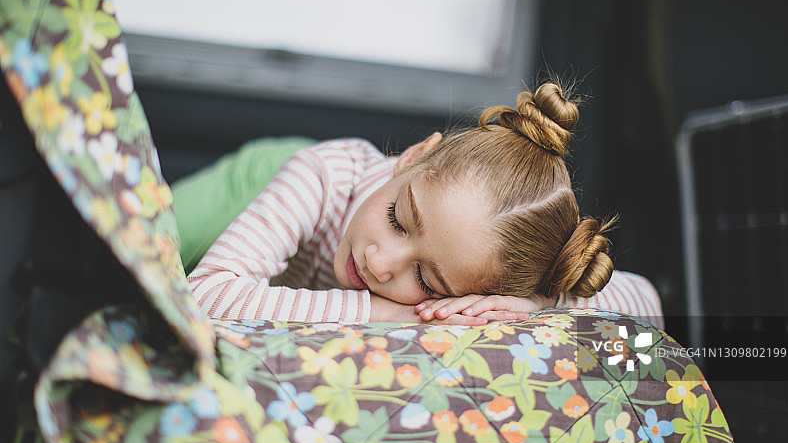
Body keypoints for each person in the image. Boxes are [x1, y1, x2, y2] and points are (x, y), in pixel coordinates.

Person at [188, 82, 662, 327]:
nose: (380, 262)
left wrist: (535, 302)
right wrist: (388, 312)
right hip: (264, 179)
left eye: (425, 279)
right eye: (397, 220)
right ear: (414, 156)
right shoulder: (322, 175)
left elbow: (647, 302)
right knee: (135, 243)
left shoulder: (473, 263)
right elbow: (205, 295)